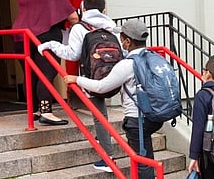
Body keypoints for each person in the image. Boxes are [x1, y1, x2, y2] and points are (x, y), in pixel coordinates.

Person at [63, 19, 162, 179]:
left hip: (137, 119)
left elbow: (102, 87)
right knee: (146, 155)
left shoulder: (127, 64)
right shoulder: (153, 57)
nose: (120, 41)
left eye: (121, 38)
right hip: (155, 115)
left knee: (141, 162)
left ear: (128, 41)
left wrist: (77, 79)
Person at [37, 0, 117, 172]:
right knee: (101, 113)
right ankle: (102, 139)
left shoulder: (80, 28)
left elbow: (72, 54)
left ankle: (108, 158)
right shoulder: (111, 27)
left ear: (83, 9)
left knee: (99, 115)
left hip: (92, 76)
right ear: (104, 10)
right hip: (114, 77)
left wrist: (51, 44)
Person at [12, 0, 78, 126]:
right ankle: (47, 112)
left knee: (31, 74)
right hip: (46, 37)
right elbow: (73, 17)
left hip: (21, 38)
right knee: (46, 75)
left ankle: (34, 110)